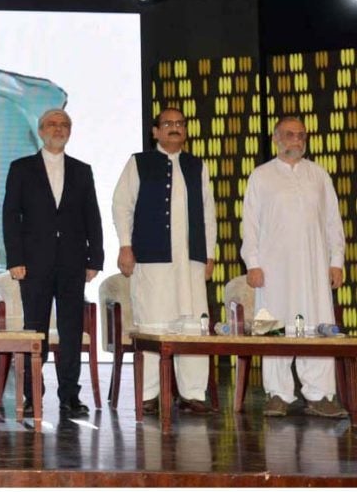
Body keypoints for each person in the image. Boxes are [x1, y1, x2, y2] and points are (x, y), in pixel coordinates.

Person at [241, 116, 347, 418]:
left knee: (317, 325)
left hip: (313, 269)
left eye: (301, 135)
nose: (296, 140)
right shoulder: (261, 176)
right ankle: (278, 394)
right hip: (273, 270)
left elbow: (332, 223)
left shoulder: (319, 175)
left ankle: (320, 394)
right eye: (289, 135)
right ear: (276, 139)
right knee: (272, 325)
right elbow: (250, 225)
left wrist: (335, 261)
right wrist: (254, 263)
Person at [112, 107, 215, 415]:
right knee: (154, 326)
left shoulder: (198, 166)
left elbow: (208, 213)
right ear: (155, 131)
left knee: (192, 328)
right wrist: (125, 247)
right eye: (168, 124)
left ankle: (193, 394)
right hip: (153, 261)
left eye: (180, 124)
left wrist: (209, 254)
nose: (174, 128)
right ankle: (148, 395)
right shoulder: (139, 163)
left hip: (192, 263)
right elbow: (121, 206)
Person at [2, 108, 103, 419]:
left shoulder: (82, 170)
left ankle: (70, 396)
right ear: (40, 130)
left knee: (72, 331)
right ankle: (34, 394)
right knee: (36, 331)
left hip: (73, 262)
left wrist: (95, 257)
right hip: (33, 264)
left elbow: (92, 216)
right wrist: (15, 259)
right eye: (52, 124)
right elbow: (10, 216)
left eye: (64, 125)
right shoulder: (21, 168)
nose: (59, 129)